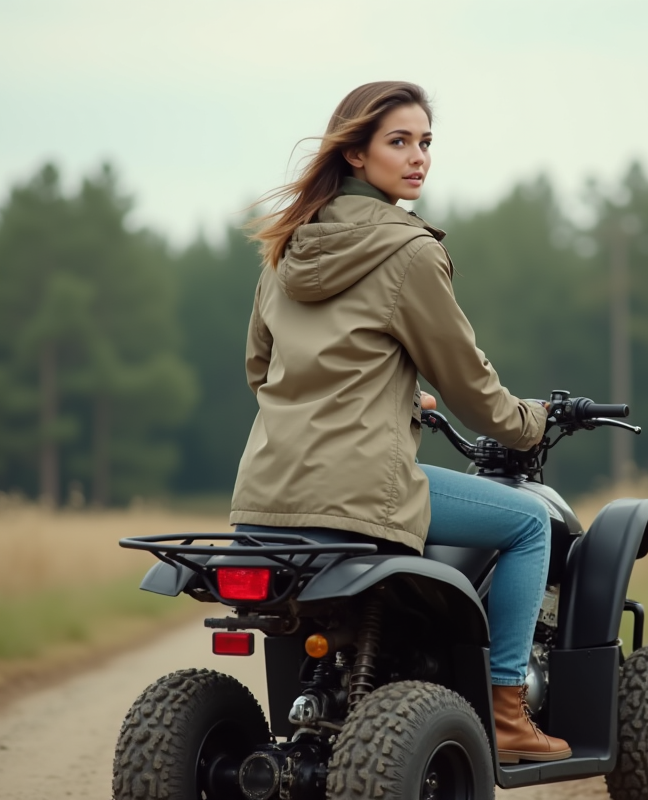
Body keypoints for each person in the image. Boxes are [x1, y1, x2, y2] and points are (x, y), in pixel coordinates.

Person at [229, 81, 570, 764]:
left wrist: (389, 396)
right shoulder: (408, 251)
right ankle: (508, 712)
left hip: (264, 499)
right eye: (399, 141)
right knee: (529, 523)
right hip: (356, 491)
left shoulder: (286, 249)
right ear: (355, 154)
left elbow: (263, 371)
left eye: (425, 142)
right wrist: (529, 425)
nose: (418, 158)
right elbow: (467, 383)